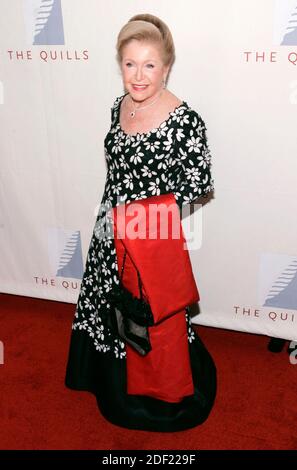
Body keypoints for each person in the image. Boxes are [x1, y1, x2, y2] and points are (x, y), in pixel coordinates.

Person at [65, 13, 216, 432]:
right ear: (121, 65)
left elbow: (198, 184)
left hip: (150, 239)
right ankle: (108, 384)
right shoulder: (120, 106)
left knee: (153, 318)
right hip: (108, 229)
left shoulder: (185, 121)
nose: (139, 75)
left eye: (150, 65)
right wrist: (113, 222)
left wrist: (140, 219)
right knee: (105, 303)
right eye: (130, 64)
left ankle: (158, 397)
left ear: (166, 66)